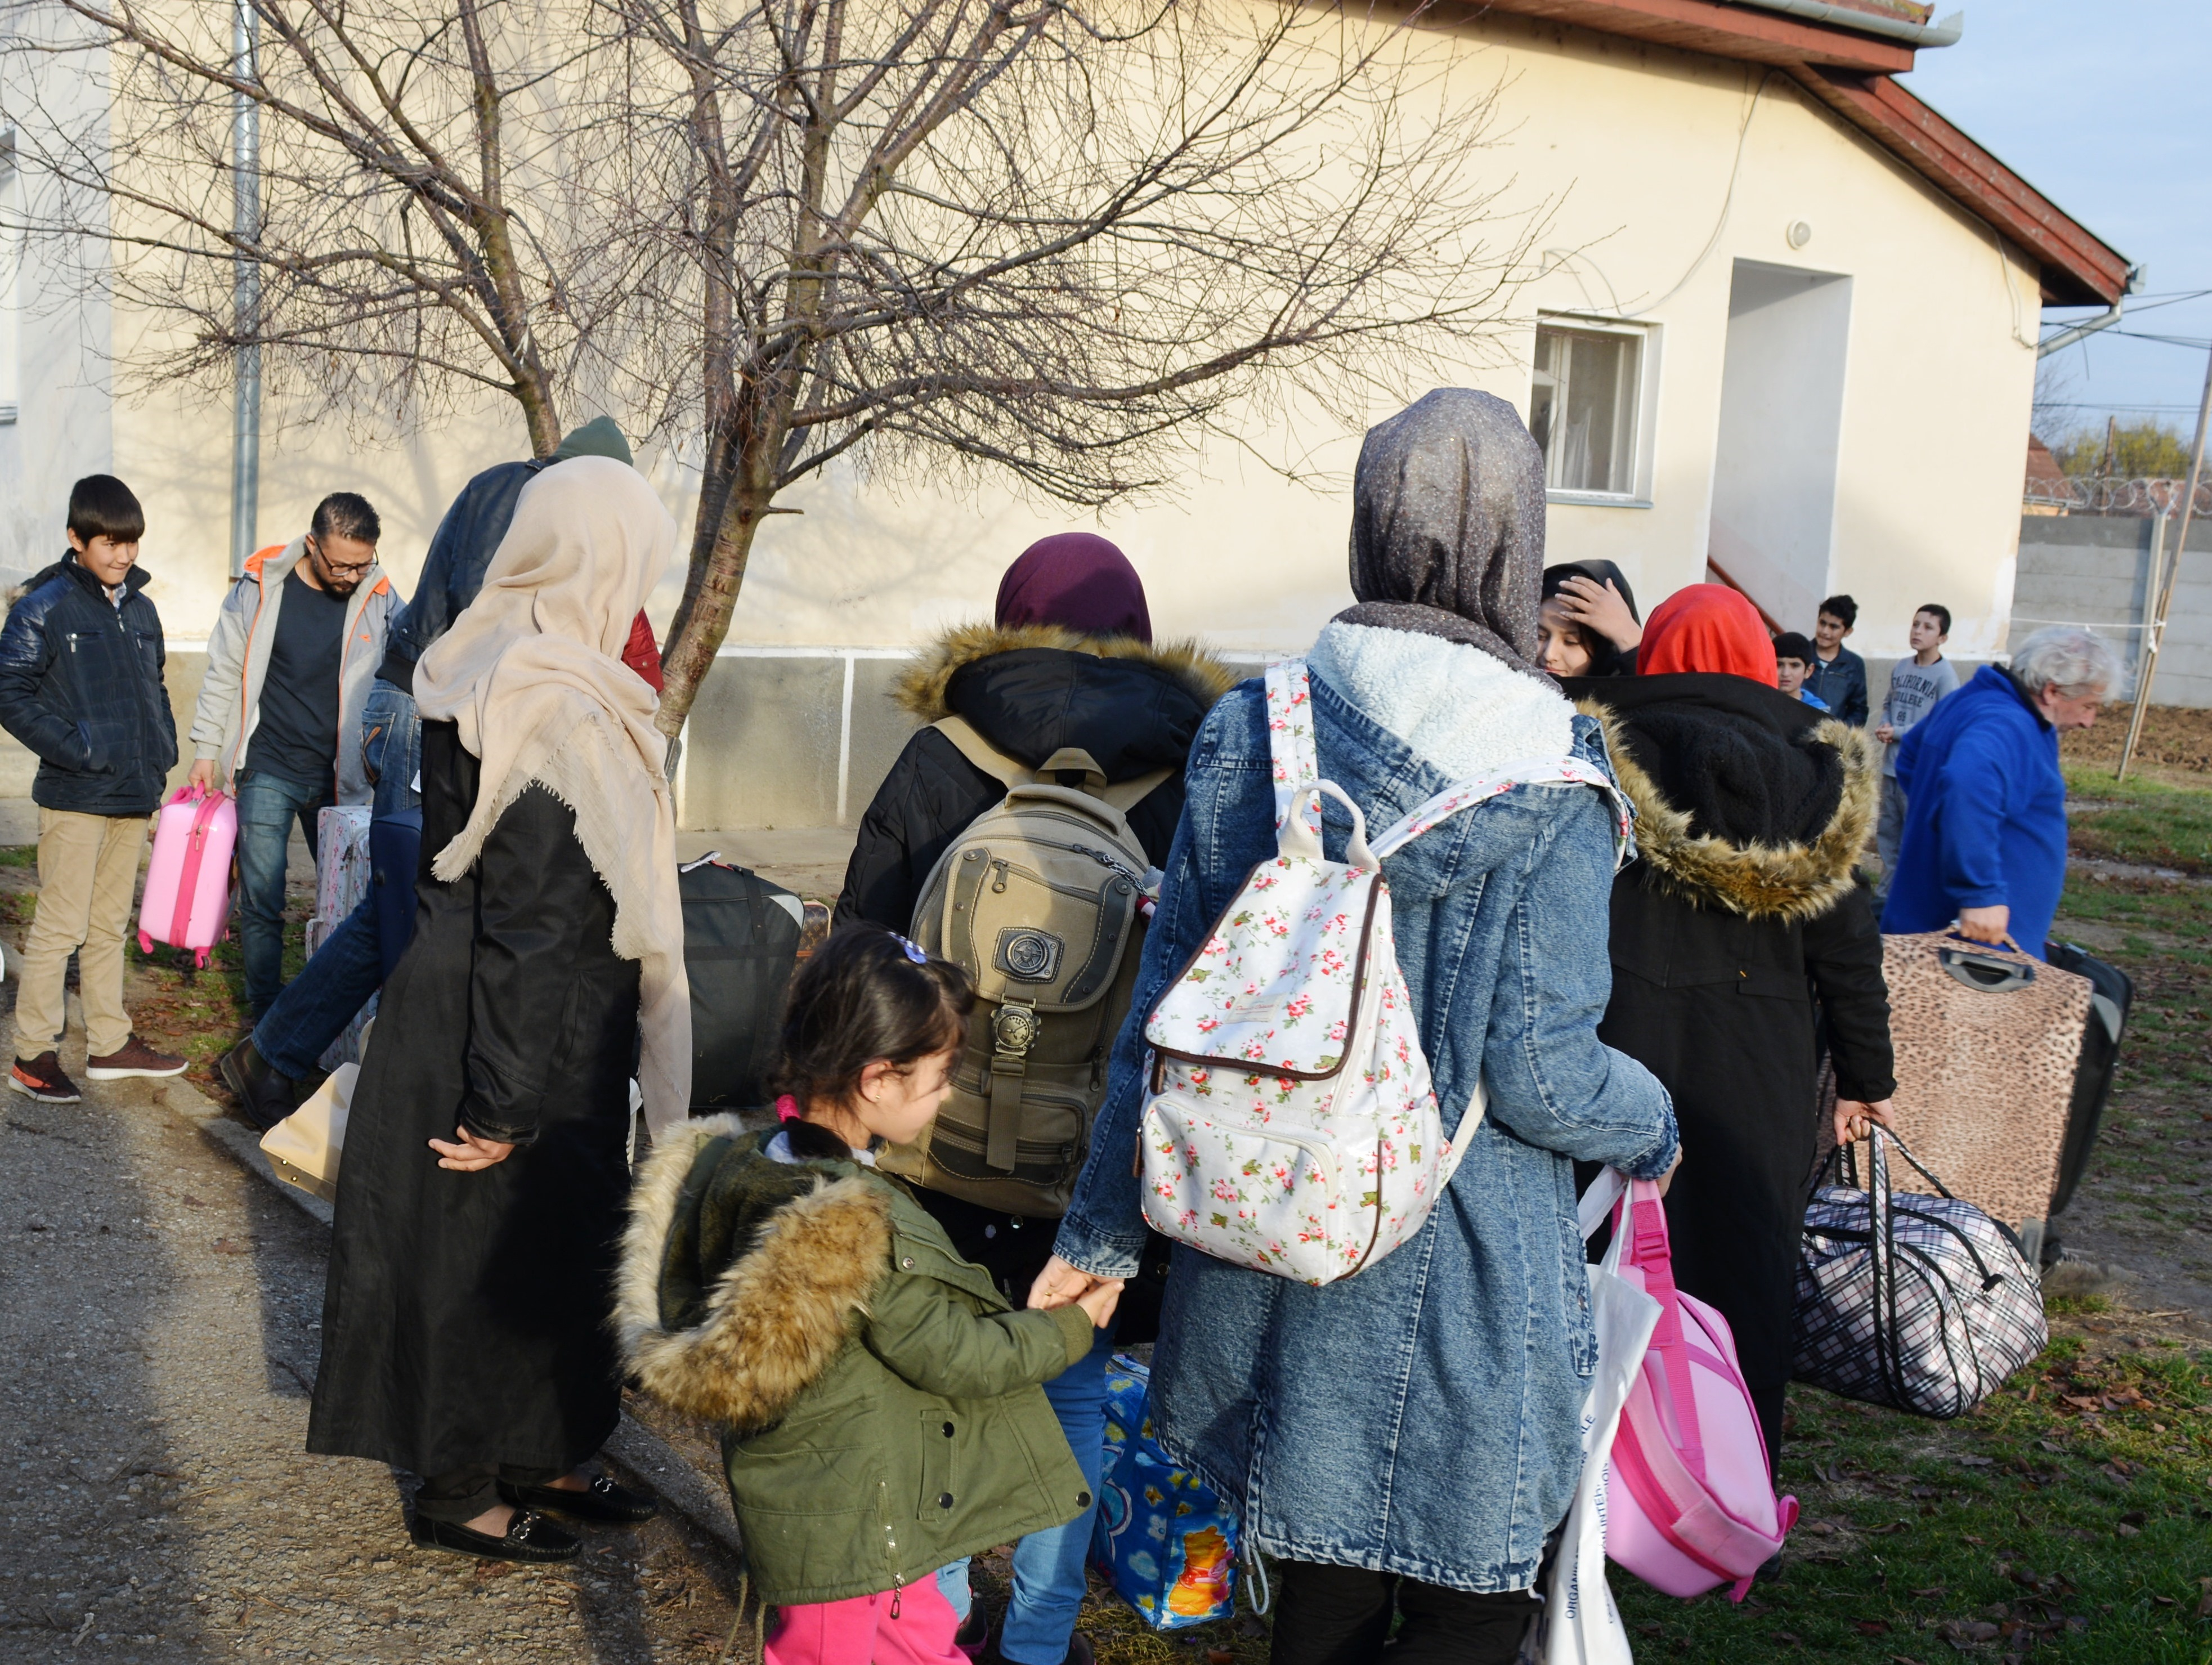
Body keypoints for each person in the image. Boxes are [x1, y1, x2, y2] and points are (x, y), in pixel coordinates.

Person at [1037, 389, 1680, 1665]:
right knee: (1468, 1610)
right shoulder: (1557, 767)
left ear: (1366, 529)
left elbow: (1165, 1018)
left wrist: (1102, 1234)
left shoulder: (1253, 724)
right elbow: (1541, 1073)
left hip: (1278, 1245)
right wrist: (1654, 1120)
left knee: (1315, 1603)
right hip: (1474, 1273)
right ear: (1520, 552)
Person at [832, 530, 1232, 1665]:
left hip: (936, 1146)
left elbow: (863, 941)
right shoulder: (1195, 764)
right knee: (1071, 1392)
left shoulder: (944, 747)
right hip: (1096, 1160)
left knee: (942, 1388)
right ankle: (1041, 1639)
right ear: (1140, 629)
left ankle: (942, 1621)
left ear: (1011, 619)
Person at [307, 457, 689, 1563]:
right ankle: (460, 1486)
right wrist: (504, 1103)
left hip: (532, 1016)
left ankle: (542, 1448)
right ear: (601, 558)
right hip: (512, 1027)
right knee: (483, 1258)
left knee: (556, 1247)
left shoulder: (487, 657)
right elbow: (528, 915)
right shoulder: (547, 700)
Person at [617, 926, 1114, 1665]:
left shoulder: (754, 1162)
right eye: (941, 1076)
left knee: (921, 1642)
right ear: (879, 1078)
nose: (948, 1093)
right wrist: (1071, 1327)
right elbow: (958, 1355)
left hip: (847, 1513)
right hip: (851, 1531)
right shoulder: (845, 1226)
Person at [218, 418, 646, 1129]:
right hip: (439, 708)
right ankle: (369, 1086)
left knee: (418, 904)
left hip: (433, 702)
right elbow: (490, 624)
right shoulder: (532, 502)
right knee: (425, 909)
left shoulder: (512, 489)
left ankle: (280, 1055)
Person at [1565, 583, 1896, 1464]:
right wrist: (1865, 1077)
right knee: (1743, 1264)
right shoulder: (1818, 777)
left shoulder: (1590, 749)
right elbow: (1847, 949)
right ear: (1757, 660)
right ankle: (1733, 1478)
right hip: (1757, 1064)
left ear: (1654, 654)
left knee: (1598, 1250)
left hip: (1609, 1042)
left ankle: (1589, 1477)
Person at [0, 476, 187, 1102]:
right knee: (60, 928)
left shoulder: (141, 608)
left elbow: (155, 686)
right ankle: (33, 1056)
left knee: (109, 927)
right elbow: (10, 693)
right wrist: (79, 749)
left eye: (132, 542)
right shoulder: (44, 607)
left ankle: (109, 1043)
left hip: (133, 792)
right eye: (110, 542)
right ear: (76, 539)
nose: (124, 555)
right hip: (75, 796)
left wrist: (162, 751)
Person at [187, 492, 398, 1020]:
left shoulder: (381, 597)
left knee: (349, 901)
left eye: (362, 564)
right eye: (341, 564)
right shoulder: (259, 588)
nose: (352, 576)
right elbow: (223, 671)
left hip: (343, 778)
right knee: (263, 898)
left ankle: (335, 1011)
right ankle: (266, 1014)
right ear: (312, 544)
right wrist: (206, 750)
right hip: (268, 767)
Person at [1881, 625, 2118, 959]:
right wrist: (1980, 893)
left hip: (1949, 945)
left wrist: (1936, 814)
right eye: (2089, 706)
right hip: (1972, 960)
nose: (2088, 722)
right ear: (2052, 691)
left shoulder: (1971, 701)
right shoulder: (2009, 724)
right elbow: (1967, 780)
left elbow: (1911, 757)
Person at [1872, 604, 1959, 897]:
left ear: (1942, 638)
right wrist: (1886, 723)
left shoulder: (1945, 676)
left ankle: (1910, 897)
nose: (1918, 631)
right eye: (1915, 624)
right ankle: (1885, 898)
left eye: (1928, 627)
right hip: (1891, 767)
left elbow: (1941, 723)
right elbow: (1888, 703)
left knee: (1914, 838)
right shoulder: (1901, 666)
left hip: (1919, 773)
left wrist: (1898, 733)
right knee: (1888, 835)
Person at [1539, 558, 1642, 676]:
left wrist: (1629, 639)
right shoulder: (1521, 684)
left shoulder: (1630, 688)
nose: (1549, 655)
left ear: (1605, 649)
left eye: (1571, 642)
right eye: (1540, 636)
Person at [1802, 593, 1869, 726]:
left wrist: (1840, 730)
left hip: (1831, 736)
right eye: (1822, 623)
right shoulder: (1802, 654)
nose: (1825, 631)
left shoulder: (1854, 664)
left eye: (1834, 627)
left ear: (1848, 632)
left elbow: (1859, 710)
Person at [1772, 631, 1831, 710]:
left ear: (1808, 671)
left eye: (1795, 665)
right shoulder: (1759, 701)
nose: (1786, 673)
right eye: (1779, 665)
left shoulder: (1817, 711)